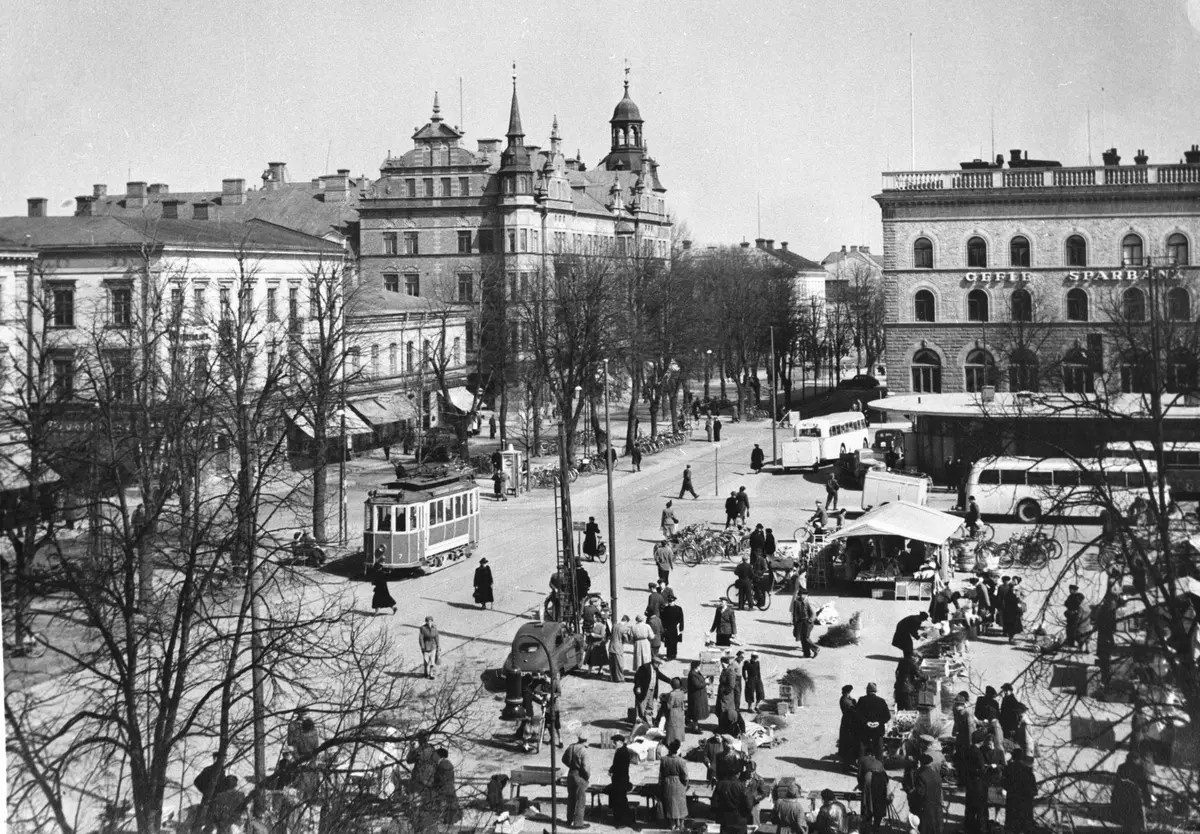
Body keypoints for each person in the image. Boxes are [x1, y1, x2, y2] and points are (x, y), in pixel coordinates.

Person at [1003, 748, 1037, 834]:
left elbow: (1004, 783)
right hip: (1024, 799)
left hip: (1012, 798)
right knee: (1024, 823)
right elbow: (1033, 787)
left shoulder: (1008, 768)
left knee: (1012, 824)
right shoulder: (1027, 769)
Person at [561, 729, 590, 829]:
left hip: (570, 774)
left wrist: (571, 766)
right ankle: (578, 823)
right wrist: (587, 777)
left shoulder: (571, 747)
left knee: (571, 798)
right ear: (586, 739)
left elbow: (564, 759)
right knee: (580, 800)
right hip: (580, 776)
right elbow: (586, 768)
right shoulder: (584, 751)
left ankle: (569, 820)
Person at [909, 753, 944, 834]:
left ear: (920, 763)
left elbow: (921, 793)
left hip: (926, 808)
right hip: (937, 807)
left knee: (925, 829)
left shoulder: (920, 776)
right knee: (936, 828)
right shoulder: (936, 775)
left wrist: (912, 793)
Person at [961, 734, 988, 834]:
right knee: (980, 808)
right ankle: (980, 829)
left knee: (969, 807)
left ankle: (968, 827)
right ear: (981, 741)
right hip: (977, 784)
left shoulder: (968, 749)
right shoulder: (978, 753)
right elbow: (981, 769)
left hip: (970, 783)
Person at [856, 682, 891, 758]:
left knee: (862, 751)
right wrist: (878, 723)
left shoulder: (862, 700)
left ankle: (861, 767)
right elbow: (887, 716)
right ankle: (880, 767)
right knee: (879, 751)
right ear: (875, 691)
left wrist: (867, 722)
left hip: (864, 730)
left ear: (867, 691)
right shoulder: (881, 701)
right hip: (878, 730)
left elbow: (857, 715)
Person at [608, 734, 635, 829]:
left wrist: (613, 772)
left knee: (620, 802)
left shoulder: (623, 753)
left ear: (620, 742)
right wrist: (611, 769)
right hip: (619, 780)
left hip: (620, 781)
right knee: (620, 801)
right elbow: (615, 765)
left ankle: (621, 822)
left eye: (615, 742)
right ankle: (623, 821)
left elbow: (621, 768)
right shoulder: (620, 751)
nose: (614, 744)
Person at [858, 752, 890, 834]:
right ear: (873, 755)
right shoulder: (878, 761)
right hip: (882, 778)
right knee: (879, 802)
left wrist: (861, 786)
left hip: (870, 777)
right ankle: (876, 827)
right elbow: (886, 776)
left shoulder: (862, 759)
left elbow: (859, 776)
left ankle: (867, 825)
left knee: (868, 802)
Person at [433, 748, 460, 825]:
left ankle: (444, 824)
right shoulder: (448, 764)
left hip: (443, 790)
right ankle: (448, 824)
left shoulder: (441, 765)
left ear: (439, 755)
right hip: (450, 789)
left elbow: (438, 778)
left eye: (436, 754)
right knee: (449, 809)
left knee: (443, 808)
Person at [791, 587, 820, 658]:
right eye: (800, 594)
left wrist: (809, 621)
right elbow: (794, 613)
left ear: (806, 595)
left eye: (804, 594)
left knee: (805, 638)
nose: (802, 596)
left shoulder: (809, 602)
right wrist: (795, 622)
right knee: (802, 638)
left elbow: (813, 614)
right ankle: (806, 654)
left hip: (807, 622)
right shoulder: (796, 602)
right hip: (800, 622)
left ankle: (815, 648)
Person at [716, 656, 741, 735]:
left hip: (727, 696)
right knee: (720, 710)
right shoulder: (724, 671)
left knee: (726, 711)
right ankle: (721, 727)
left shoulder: (730, 672)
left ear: (724, 663)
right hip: (722, 695)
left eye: (721, 663)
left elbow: (731, 686)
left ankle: (725, 729)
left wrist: (724, 692)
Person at [837, 685, 859, 765]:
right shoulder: (845, 700)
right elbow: (853, 709)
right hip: (848, 722)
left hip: (846, 721)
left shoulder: (845, 698)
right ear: (847, 692)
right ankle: (848, 761)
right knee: (848, 741)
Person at [687, 660, 711, 730]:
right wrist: (705, 682)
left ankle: (695, 726)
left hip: (699, 696)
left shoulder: (696, 673)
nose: (701, 667)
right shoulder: (692, 674)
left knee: (696, 712)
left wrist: (705, 679)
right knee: (695, 713)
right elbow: (697, 685)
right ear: (696, 666)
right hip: (696, 697)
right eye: (700, 666)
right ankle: (695, 727)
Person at [661, 591, 684, 660]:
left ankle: (674, 654)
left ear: (674, 601)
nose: (671, 603)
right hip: (668, 628)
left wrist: (681, 628)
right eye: (670, 602)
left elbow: (681, 619)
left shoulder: (678, 609)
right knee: (668, 643)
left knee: (674, 642)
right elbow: (663, 619)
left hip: (675, 628)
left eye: (672, 602)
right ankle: (669, 655)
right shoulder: (665, 609)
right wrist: (663, 628)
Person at [1063, 584, 1086, 650]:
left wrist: (1074, 610)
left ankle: (1080, 643)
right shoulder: (1070, 596)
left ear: (1074, 590)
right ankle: (1070, 643)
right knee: (1069, 629)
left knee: (1075, 630)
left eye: (1071, 589)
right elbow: (1066, 603)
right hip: (1070, 615)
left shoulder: (1079, 596)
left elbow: (1079, 604)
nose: (1070, 591)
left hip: (1076, 615)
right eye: (1070, 589)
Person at [1003, 577, 1025, 643]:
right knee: (1011, 625)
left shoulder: (1020, 588)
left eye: (1015, 580)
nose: (1014, 581)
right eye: (1013, 580)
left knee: (1014, 624)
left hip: (1016, 610)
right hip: (1011, 610)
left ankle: (1012, 638)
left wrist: (1020, 598)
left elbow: (1023, 596)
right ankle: (1011, 638)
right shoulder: (1008, 591)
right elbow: (1006, 599)